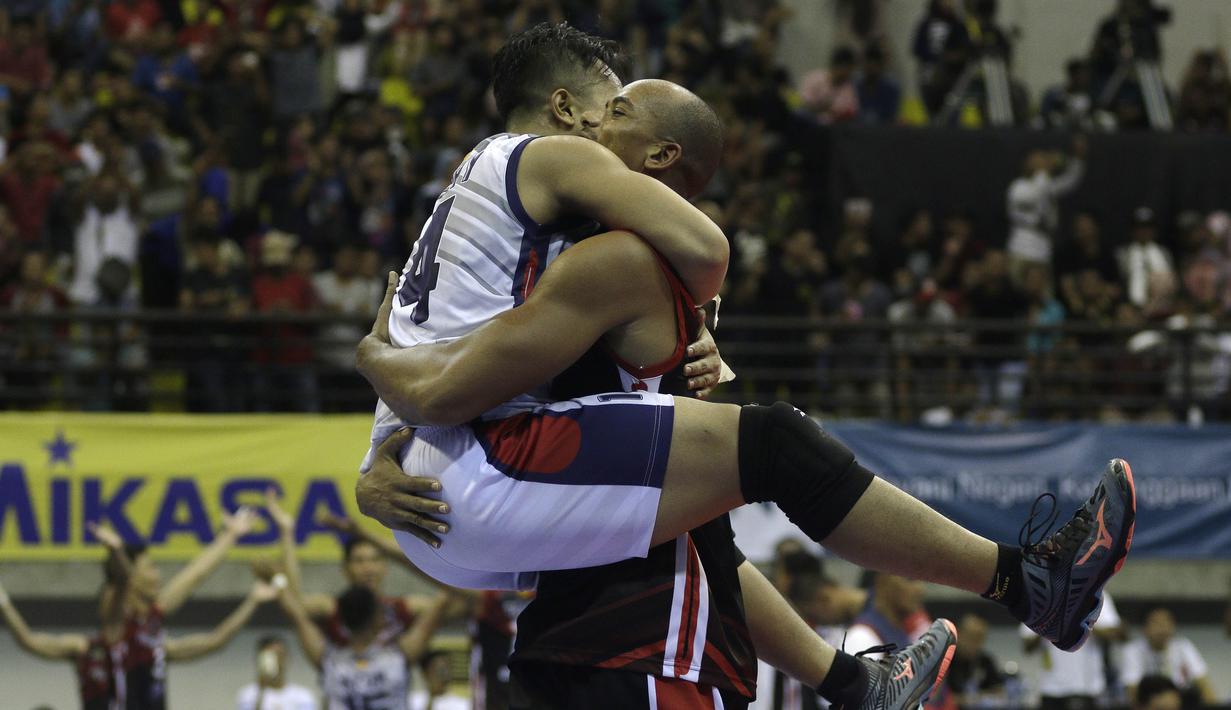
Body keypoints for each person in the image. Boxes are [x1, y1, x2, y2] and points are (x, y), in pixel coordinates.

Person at [357, 21, 1134, 709]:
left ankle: (861, 678)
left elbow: (416, 323)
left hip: (471, 515)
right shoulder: (578, 198)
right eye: (611, 101)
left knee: (718, 500)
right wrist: (696, 311)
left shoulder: (490, 211)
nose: (611, 114)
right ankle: (1021, 582)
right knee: (770, 445)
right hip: (558, 560)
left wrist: (375, 445)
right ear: (566, 109)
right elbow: (706, 251)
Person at [1, 523, 275, 710]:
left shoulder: (153, 632)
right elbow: (122, 583)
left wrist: (231, 537)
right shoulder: (111, 628)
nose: (158, 575)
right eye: (151, 567)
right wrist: (118, 552)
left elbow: (196, 578)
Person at [278, 582, 452, 710]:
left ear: (341, 618)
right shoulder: (399, 657)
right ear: (378, 619)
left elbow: (296, 614)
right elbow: (440, 605)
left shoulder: (329, 661)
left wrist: (277, 580)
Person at [1021, 592, 1124, 710]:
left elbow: (1117, 633)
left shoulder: (1096, 591)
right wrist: (1051, 619)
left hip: (1087, 688)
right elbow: (1027, 645)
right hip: (1051, 689)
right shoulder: (1042, 592)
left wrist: (1080, 619)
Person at [1005, 137, 1086, 284]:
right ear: (1027, 163)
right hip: (1021, 250)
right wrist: (1044, 171)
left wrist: (1078, 159)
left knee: (1044, 298)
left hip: (1043, 252)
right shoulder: (1018, 186)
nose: (1044, 161)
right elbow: (1035, 194)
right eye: (1040, 158)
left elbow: (1070, 182)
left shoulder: (1046, 184)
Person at [1121, 607, 1216, 706]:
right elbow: (1132, 692)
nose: (1163, 628)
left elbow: (1204, 686)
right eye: (1156, 623)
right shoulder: (1132, 650)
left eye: (1167, 622)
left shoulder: (1183, 647)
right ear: (1144, 628)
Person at [235, 636, 318, 710]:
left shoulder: (303, 696)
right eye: (270, 656)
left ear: (288, 659)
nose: (278, 661)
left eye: (280, 655)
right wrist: (261, 690)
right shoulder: (248, 695)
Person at [945, 614, 1005, 708]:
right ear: (959, 634)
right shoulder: (946, 661)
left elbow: (1000, 693)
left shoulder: (986, 661)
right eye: (971, 637)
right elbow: (937, 698)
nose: (974, 643)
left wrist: (973, 699)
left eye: (979, 638)